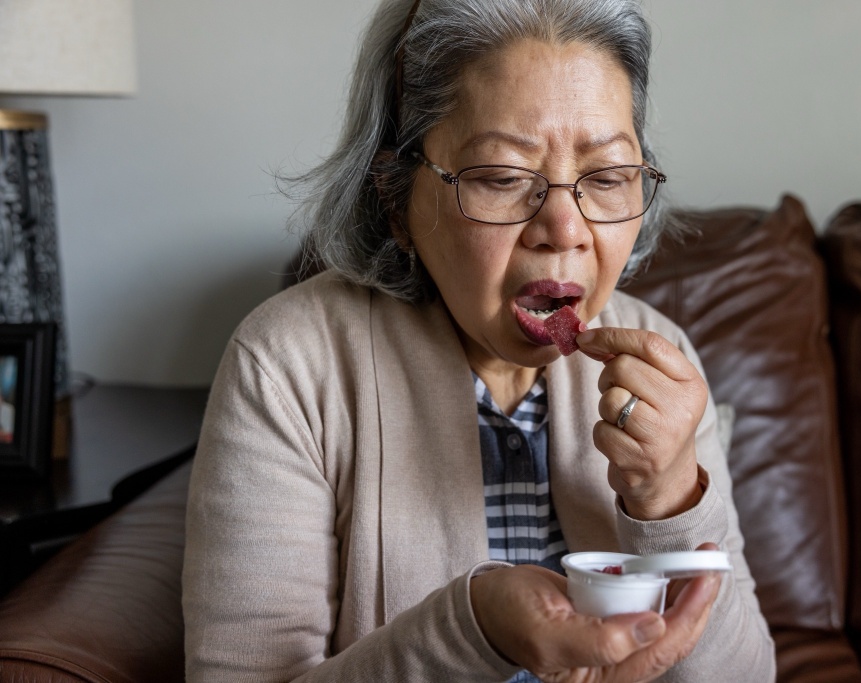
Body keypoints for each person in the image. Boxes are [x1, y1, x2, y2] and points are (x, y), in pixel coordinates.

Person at [182, 0, 775, 680]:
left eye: (608, 178)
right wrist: (476, 630)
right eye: (502, 178)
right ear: (396, 200)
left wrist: (670, 499)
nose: (565, 227)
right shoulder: (288, 365)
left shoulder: (657, 352)